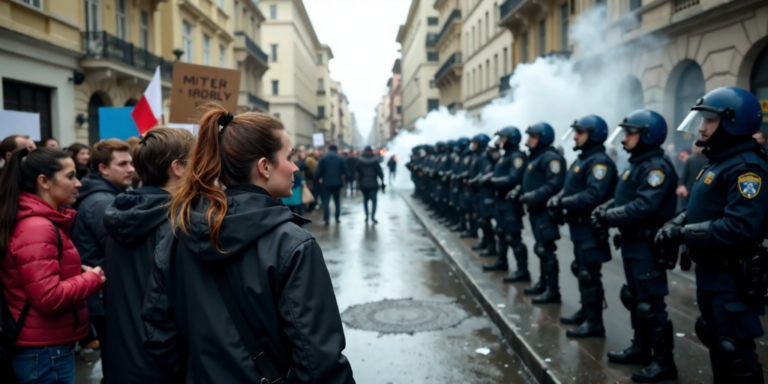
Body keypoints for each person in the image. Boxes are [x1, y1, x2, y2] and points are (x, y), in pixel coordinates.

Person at [142, 106, 355, 383]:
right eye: (289, 157)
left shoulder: (176, 237)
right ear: (264, 166)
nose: (295, 166)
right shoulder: (292, 244)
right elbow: (319, 359)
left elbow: (158, 337)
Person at [656, 87, 767, 383]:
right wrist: (676, 222)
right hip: (711, 273)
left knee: (736, 352)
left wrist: (683, 233)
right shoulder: (720, 161)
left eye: (709, 120)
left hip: (731, 278)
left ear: (733, 122)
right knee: (716, 340)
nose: (701, 127)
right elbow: (700, 207)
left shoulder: (747, 169)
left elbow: (739, 226)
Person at [0, 147, 105, 383]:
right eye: (70, 176)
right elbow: (47, 296)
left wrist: (76, 272)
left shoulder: (41, 222)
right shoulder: (38, 227)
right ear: (44, 181)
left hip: (45, 347)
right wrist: (91, 280)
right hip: (45, 350)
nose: (78, 183)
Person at [592, 109, 678, 382]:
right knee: (635, 299)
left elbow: (645, 205)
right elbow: (622, 198)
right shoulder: (637, 164)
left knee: (651, 305)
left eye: (631, 132)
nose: (625, 137)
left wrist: (608, 216)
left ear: (647, 135)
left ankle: (664, 363)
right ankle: (641, 348)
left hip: (647, 246)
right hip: (633, 243)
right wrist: (605, 208)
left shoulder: (655, 167)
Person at [102, 127, 193, 384]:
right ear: (178, 168)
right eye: (196, 162)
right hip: (162, 368)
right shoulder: (177, 225)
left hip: (124, 363)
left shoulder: (123, 214)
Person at [549, 115, 617, 338]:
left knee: (589, 274)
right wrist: (560, 197)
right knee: (581, 270)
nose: (575, 136)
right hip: (579, 227)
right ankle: (586, 311)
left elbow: (593, 195)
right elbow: (571, 189)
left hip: (590, 227)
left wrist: (563, 201)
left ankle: (595, 322)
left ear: (594, 135)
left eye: (580, 132)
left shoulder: (599, 163)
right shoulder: (583, 159)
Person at [72, 138, 134, 380]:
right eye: (123, 164)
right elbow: (120, 248)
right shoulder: (102, 203)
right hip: (103, 294)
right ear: (103, 168)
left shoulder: (108, 195)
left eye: (130, 162)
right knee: (115, 358)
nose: (130, 168)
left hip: (103, 292)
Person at [516, 122, 566, 304]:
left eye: (533, 137)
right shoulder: (537, 157)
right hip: (536, 211)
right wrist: (520, 190)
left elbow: (554, 184)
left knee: (546, 250)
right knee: (540, 249)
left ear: (543, 138)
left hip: (546, 212)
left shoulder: (550, 158)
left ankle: (553, 290)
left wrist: (533, 196)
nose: (528, 140)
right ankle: (543, 283)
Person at [482, 128, 528, 283]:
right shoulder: (506, 156)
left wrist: (492, 181)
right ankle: (502, 261)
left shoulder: (516, 157)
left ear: (511, 139)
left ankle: (522, 270)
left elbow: (513, 179)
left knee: (513, 236)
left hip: (510, 203)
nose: (501, 141)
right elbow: (499, 174)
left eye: (503, 138)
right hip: (501, 201)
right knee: (501, 232)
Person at [315, 144, 348, 226]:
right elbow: (345, 171)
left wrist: (316, 180)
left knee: (326, 202)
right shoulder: (340, 158)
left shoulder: (323, 158)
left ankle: (327, 219)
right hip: (337, 183)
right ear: (336, 149)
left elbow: (319, 171)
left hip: (326, 183)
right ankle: (337, 217)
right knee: (337, 201)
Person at [356, 145, 385, 224]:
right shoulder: (375, 161)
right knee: (374, 201)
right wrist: (382, 182)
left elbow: (358, 172)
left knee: (365, 200)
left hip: (364, 184)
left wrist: (358, 181)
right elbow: (380, 172)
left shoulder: (360, 161)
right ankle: (373, 217)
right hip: (373, 183)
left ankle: (366, 216)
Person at [675, 143, 707, 211]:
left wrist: (681, 185)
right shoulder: (709, 161)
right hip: (704, 192)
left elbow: (684, 176)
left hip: (689, 191)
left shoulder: (691, 160)